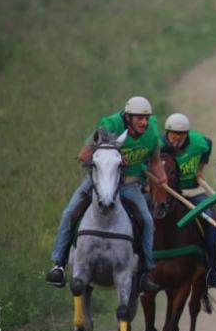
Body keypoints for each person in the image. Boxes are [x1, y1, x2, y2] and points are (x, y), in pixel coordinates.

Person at [46, 96, 164, 293]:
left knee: (147, 220)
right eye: (139, 118)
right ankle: (58, 264)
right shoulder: (109, 125)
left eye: (146, 118)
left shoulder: (151, 132)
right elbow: (83, 156)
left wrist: (162, 178)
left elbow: (155, 161)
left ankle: (145, 271)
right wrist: (114, 154)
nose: (144, 122)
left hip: (129, 185)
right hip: (98, 182)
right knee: (69, 213)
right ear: (128, 117)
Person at [160, 113, 216, 289]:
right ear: (167, 133)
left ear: (187, 134)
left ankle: (212, 272)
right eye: (173, 135)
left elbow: (208, 146)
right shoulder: (158, 146)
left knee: (212, 218)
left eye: (181, 135)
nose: (177, 139)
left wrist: (200, 170)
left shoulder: (199, 142)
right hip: (169, 192)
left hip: (193, 190)